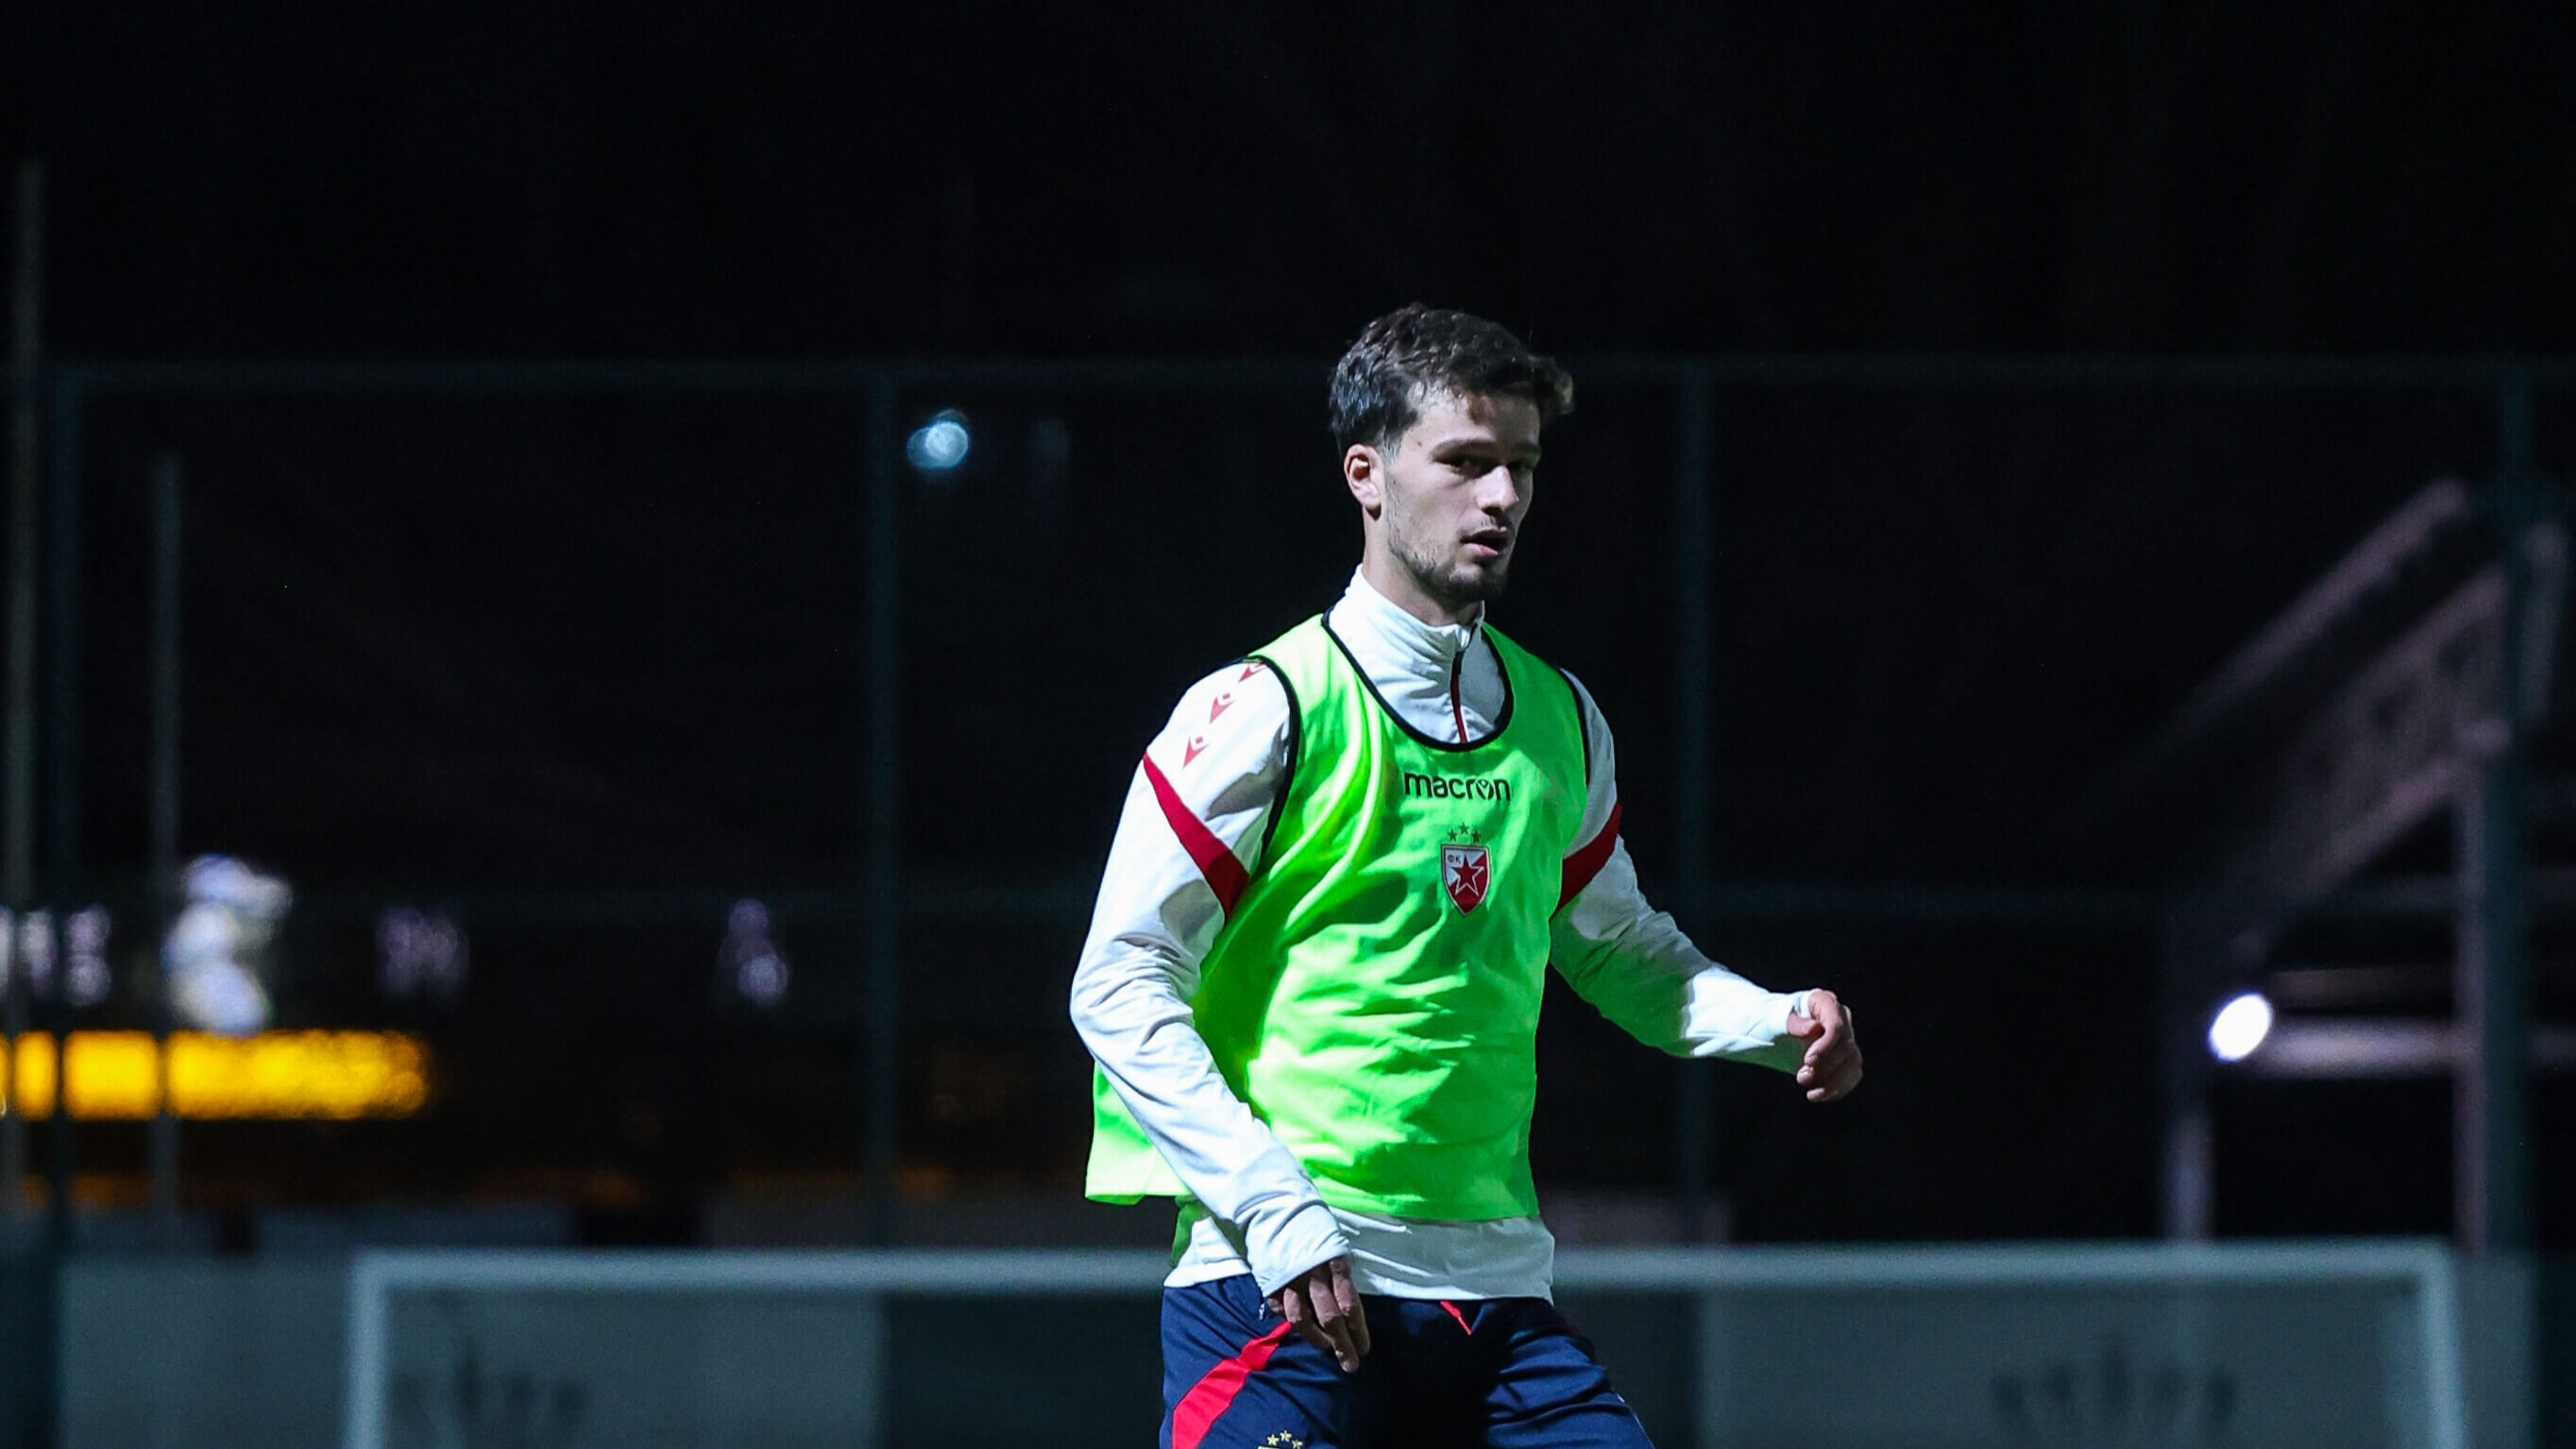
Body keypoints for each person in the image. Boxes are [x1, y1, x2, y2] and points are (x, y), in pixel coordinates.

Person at [1070, 304, 1862, 1449]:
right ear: (1366, 474)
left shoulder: (1558, 717)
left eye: (1521, 466)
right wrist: (1273, 1207)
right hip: (1281, 1284)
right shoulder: (1263, 707)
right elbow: (1118, 977)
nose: (1502, 498)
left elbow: (1615, 945)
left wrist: (1771, 1020)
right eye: (1465, 461)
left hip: (1494, 1295)